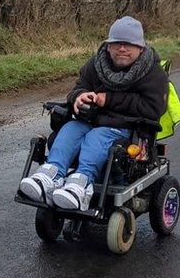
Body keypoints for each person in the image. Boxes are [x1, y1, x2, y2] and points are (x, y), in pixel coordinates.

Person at [20, 16, 168, 210]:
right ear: (108, 46)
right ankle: (50, 176)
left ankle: (81, 184)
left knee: (98, 136)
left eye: (128, 44)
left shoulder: (153, 73)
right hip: (91, 120)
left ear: (140, 47)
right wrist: (79, 98)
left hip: (126, 128)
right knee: (71, 128)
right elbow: (78, 87)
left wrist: (107, 99)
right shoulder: (97, 64)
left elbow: (154, 107)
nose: (122, 48)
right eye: (117, 44)